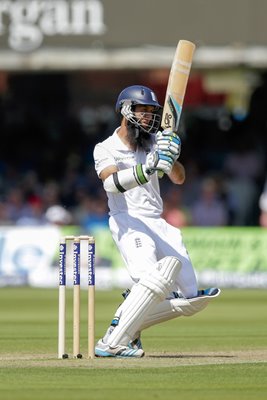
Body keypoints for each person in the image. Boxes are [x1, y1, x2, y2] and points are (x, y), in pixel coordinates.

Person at [93, 85, 220, 358]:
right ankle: (111, 342)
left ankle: (129, 321)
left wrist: (169, 157)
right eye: (145, 112)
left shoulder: (152, 142)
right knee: (153, 281)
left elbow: (179, 178)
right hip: (128, 221)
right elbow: (112, 184)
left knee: (192, 298)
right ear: (127, 111)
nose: (151, 119)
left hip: (157, 221)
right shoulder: (105, 148)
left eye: (153, 113)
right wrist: (148, 167)